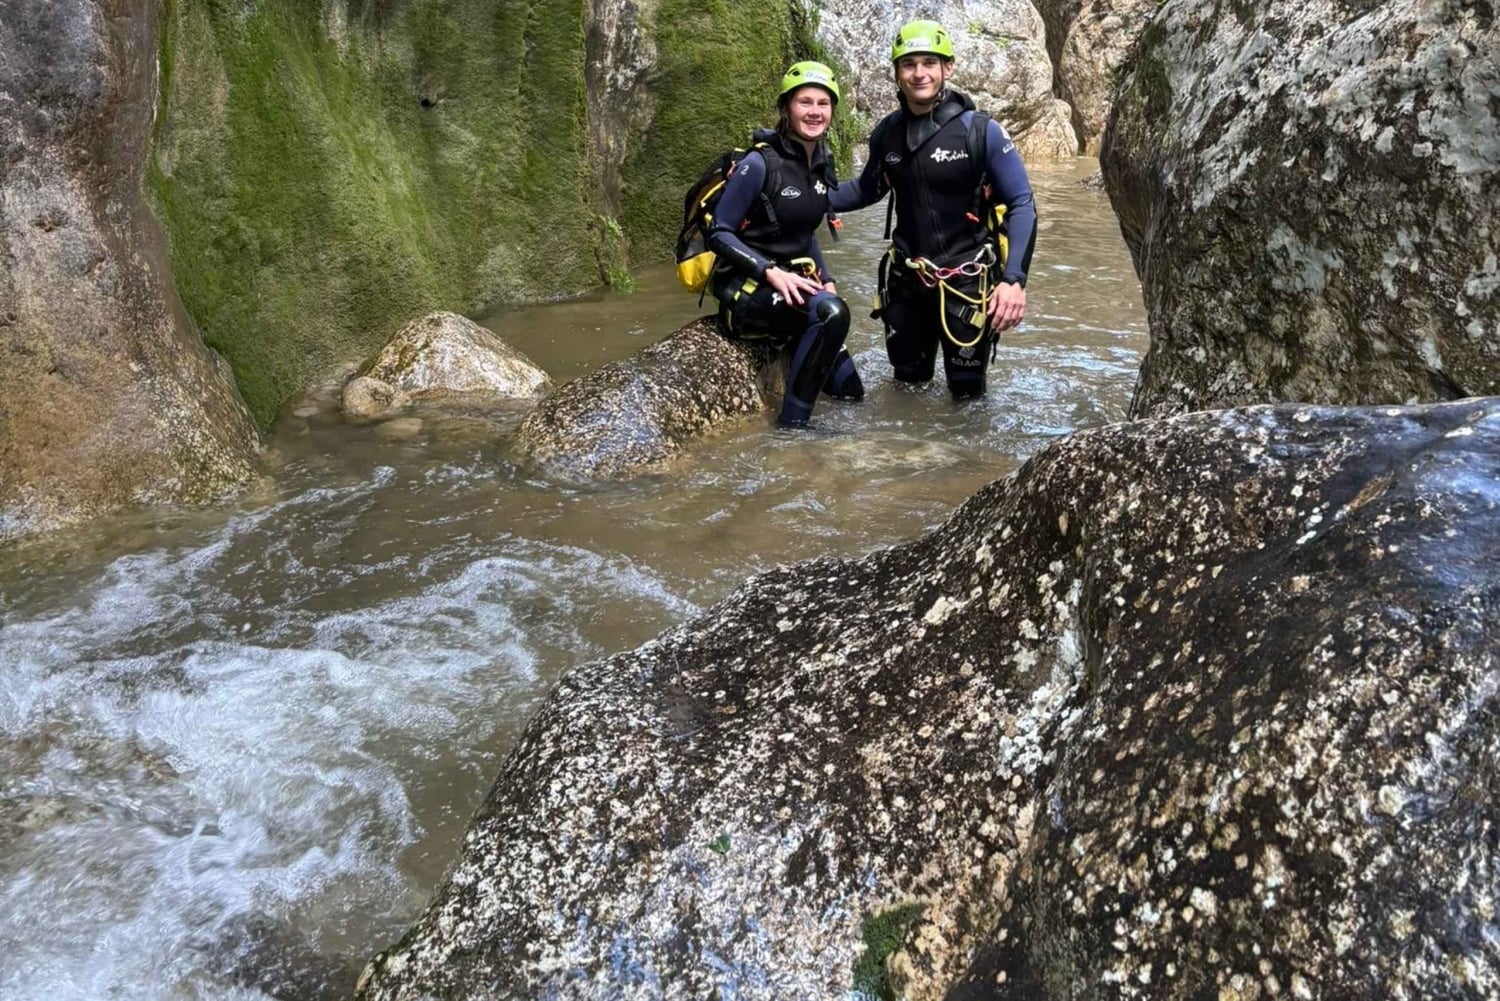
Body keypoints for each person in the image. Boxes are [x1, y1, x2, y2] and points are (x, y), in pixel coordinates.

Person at [829, 19, 1038, 399]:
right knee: (906, 389)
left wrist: (1013, 281)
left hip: (967, 282)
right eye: (909, 64)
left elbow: (1022, 203)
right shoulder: (887, 134)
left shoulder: (982, 132)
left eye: (929, 62)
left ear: (948, 68)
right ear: (897, 73)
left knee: (967, 398)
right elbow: (865, 190)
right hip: (907, 282)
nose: (919, 73)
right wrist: (802, 193)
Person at [706, 61, 864, 428]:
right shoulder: (760, 163)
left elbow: (804, 234)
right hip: (747, 288)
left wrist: (826, 279)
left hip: (792, 286)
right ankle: (793, 428)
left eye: (823, 103)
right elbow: (719, 233)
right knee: (833, 313)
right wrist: (770, 272)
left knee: (849, 392)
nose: (814, 112)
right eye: (804, 102)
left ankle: (798, 343)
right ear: (785, 109)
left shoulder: (821, 163)